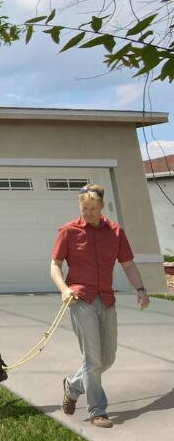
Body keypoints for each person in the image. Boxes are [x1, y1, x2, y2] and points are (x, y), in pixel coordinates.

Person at [49, 183, 150, 428]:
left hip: (106, 299)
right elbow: (55, 265)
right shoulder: (68, 231)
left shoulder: (116, 232)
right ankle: (97, 410)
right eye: (85, 208)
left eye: (93, 208)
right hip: (80, 299)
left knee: (108, 358)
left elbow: (128, 265)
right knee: (93, 359)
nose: (89, 213)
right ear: (80, 207)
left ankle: (72, 385)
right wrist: (64, 289)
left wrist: (140, 289)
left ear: (102, 206)